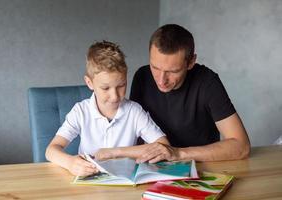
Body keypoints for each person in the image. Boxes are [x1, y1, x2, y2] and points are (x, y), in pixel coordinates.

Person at [130, 24, 250, 163]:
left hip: (202, 169)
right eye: (155, 67)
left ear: (191, 62)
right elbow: (135, 134)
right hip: (154, 168)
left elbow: (242, 146)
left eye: (173, 71)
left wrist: (178, 154)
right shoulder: (142, 76)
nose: (161, 79)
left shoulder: (207, 82)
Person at [46, 41, 169, 176]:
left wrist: (115, 152)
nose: (115, 96)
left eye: (121, 85)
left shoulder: (134, 111)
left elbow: (163, 146)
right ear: (89, 83)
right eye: (105, 88)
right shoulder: (80, 111)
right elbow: (51, 150)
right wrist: (70, 163)